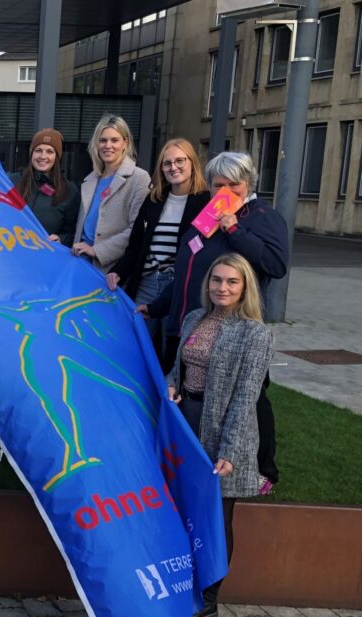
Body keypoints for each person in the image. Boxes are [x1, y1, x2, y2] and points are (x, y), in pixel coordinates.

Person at [141, 151, 287, 489]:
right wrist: (158, 306)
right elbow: (187, 269)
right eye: (218, 185)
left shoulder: (262, 217)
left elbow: (276, 265)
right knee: (188, 391)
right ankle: (189, 459)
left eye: (232, 185)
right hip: (191, 321)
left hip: (234, 328)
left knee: (249, 397)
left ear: (248, 183)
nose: (225, 191)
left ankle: (263, 468)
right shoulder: (207, 216)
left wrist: (235, 230)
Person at [166, 253, 272, 617]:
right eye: (216, 280)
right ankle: (185, 583)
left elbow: (247, 396)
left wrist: (229, 450)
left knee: (217, 517)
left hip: (226, 432)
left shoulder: (255, 333)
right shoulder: (196, 318)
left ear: (245, 288)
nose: (222, 288)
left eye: (232, 282)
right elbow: (178, 366)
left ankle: (210, 596)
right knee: (185, 508)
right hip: (188, 424)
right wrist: (172, 384)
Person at [107, 138, 210, 370]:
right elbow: (135, 247)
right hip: (147, 284)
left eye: (180, 161)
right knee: (139, 353)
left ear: (192, 162)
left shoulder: (206, 201)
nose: (174, 167)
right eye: (167, 163)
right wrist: (117, 272)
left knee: (171, 355)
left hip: (179, 286)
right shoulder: (154, 199)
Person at [72, 115, 151, 273]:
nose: (108, 146)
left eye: (114, 140)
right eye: (103, 140)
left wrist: (97, 251)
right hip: (80, 263)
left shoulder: (139, 178)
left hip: (111, 269)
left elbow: (136, 230)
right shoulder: (90, 180)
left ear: (125, 143)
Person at [0, 128, 79, 245]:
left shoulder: (69, 190)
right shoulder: (11, 181)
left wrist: (61, 239)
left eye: (50, 151)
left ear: (57, 157)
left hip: (45, 257)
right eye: (38, 150)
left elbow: (72, 231)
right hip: (9, 253)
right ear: (31, 153)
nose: (43, 156)